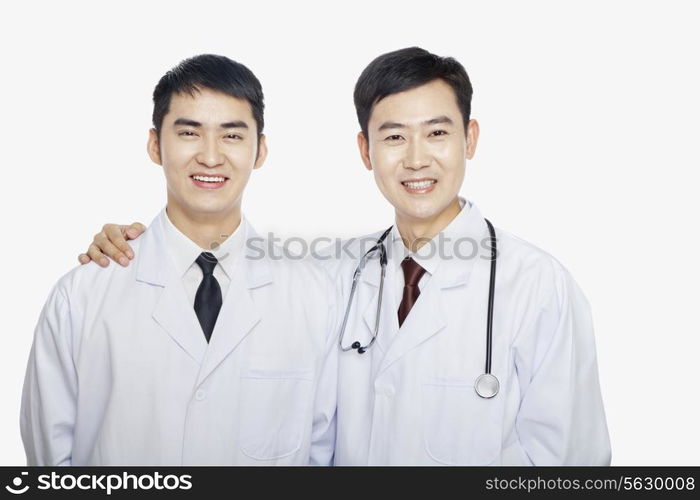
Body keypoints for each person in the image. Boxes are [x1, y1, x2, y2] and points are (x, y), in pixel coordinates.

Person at [79, 47, 611, 465]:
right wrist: (132, 243)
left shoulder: (538, 286)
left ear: (470, 139)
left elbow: (577, 464)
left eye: (438, 133)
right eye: (394, 136)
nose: (417, 158)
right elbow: (216, 258)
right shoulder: (335, 274)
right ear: (366, 151)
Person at [21, 54, 338, 466]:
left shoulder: (313, 295)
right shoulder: (82, 295)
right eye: (189, 132)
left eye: (232, 136)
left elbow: (322, 452)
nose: (209, 157)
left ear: (260, 150)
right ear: (155, 145)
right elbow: (50, 458)